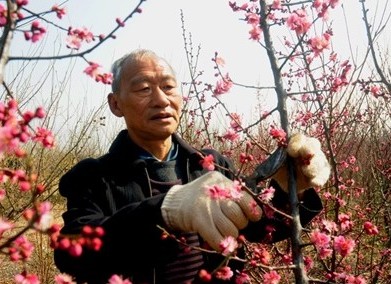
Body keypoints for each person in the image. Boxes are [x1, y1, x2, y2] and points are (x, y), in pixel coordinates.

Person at [53, 49, 330, 284]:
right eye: (143, 89)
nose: (161, 99)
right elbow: (72, 254)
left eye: (169, 87)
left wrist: (291, 189)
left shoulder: (211, 165)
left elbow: (259, 228)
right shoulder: (92, 177)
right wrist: (165, 210)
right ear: (116, 104)